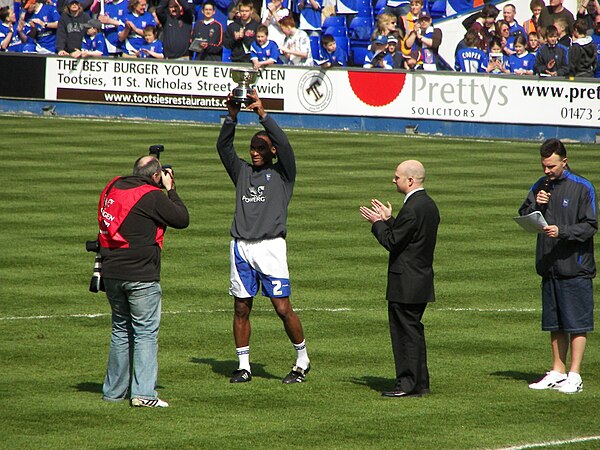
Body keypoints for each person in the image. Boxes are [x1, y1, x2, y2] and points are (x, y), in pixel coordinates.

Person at [216, 90, 311, 385]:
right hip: (241, 247)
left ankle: (302, 358)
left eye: (261, 147)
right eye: (252, 147)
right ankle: (243, 365)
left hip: (271, 247)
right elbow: (223, 148)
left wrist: (263, 116)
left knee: (282, 307)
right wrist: (232, 117)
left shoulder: (284, 174)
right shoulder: (242, 171)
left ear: (272, 152)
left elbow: (284, 143)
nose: (255, 151)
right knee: (241, 306)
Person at [99, 155, 189, 407]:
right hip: (140, 275)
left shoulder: (113, 186)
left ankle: (114, 392)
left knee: (120, 330)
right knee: (145, 333)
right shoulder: (152, 196)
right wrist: (171, 191)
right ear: (155, 176)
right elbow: (181, 219)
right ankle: (144, 394)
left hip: (112, 271)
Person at [519, 139, 597, 395]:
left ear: (564, 161)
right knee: (554, 322)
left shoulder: (582, 187)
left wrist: (562, 232)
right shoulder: (540, 185)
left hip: (575, 266)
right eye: (543, 165)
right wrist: (537, 204)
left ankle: (575, 375)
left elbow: (590, 225)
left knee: (576, 323)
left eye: (551, 166)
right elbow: (524, 213)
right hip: (549, 264)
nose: (546, 171)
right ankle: (557, 371)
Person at [359, 160, 440, 398]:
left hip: (406, 282)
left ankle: (407, 384)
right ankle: (420, 383)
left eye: (397, 177)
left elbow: (393, 242)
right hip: (420, 280)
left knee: (404, 335)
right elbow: (410, 238)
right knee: (413, 332)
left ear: (410, 180)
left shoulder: (413, 208)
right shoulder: (427, 205)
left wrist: (377, 224)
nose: (393, 180)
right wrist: (390, 220)